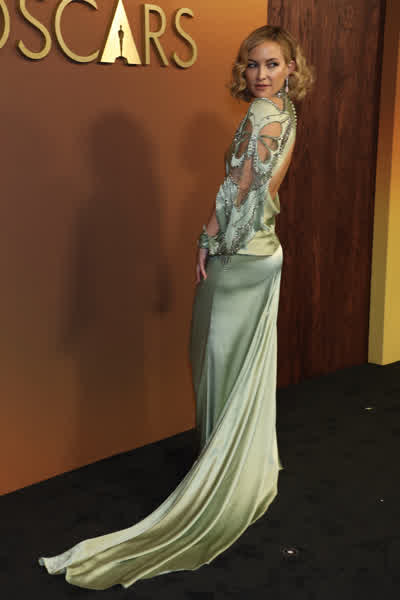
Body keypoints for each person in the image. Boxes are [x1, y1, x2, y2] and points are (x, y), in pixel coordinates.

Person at [38, 25, 315, 590]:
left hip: (240, 259)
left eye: (271, 64)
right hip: (265, 253)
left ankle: (218, 481)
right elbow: (258, 188)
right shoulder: (287, 112)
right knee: (237, 367)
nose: (260, 74)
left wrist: (208, 240)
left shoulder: (262, 115)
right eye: (253, 64)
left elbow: (240, 187)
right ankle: (236, 467)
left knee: (215, 363)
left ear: (291, 67)